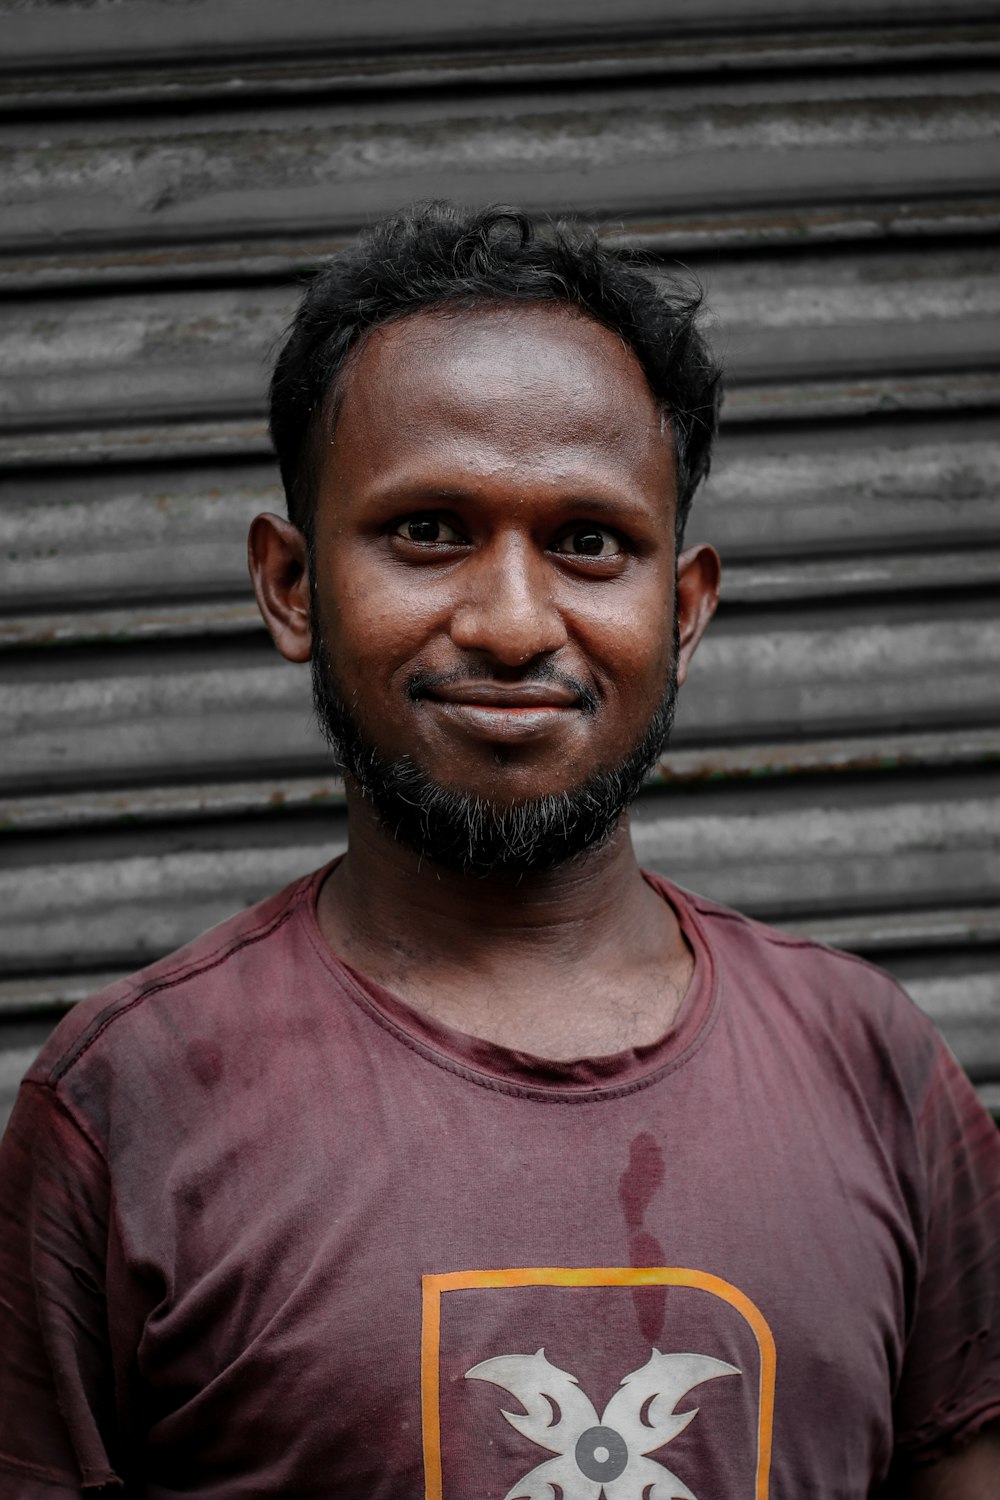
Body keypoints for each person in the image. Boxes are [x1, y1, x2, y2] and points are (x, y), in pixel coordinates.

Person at [1, 203, 998, 1499]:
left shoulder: (878, 1073)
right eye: (429, 531)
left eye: (589, 543)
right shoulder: (121, 1113)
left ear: (683, 610)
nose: (516, 623)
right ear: (292, 587)